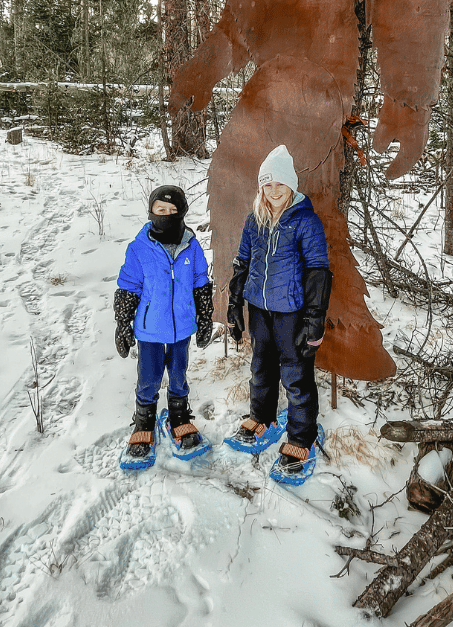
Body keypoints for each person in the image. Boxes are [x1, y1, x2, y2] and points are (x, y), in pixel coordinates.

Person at [224, 146, 332, 484]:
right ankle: (262, 416)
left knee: (296, 376)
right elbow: (242, 262)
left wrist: (314, 319)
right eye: (267, 186)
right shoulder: (254, 219)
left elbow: (318, 271)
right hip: (259, 308)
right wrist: (234, 304)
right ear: (261, 188)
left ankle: (302, 436)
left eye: (279, 185)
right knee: (261, 365)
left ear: (291, 186)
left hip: (292, 312)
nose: (273, 192)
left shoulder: (306, 221)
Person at [114, 185, 213, 470]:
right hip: (150, 329)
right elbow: (128, 287)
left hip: (182, 328)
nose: (166, 215)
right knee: (149, 377)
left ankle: (179, 415)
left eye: (172, 211)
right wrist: (123, 324)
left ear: (181, 213)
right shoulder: (139, 247)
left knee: (179, 374)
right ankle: (144, 419)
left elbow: (200, 283)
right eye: (160, 210)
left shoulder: (191, 246)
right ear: (151, 211)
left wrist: (204, 317)